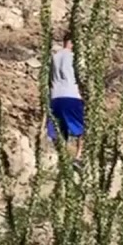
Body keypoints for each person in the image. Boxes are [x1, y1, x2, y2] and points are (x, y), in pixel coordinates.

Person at [46, 33, 84, 161]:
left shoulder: (55, 56)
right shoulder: (75, 57)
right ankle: (78, 156)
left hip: (56, 96)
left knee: (59, 128)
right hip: (71, 95)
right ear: (73, 42)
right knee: (82, 127)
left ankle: (61, 155)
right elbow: (82, 77)